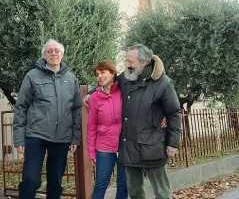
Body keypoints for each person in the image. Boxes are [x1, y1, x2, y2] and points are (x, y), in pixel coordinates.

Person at [85, 44, 181, 199]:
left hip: (152, 147)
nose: (127, 65)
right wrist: (91, 92)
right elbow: (110, 81)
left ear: (144, 62)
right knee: (135, 193)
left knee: (162, 194)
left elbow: (174, 112)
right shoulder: (127, 77)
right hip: (129, 147)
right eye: (127, 61)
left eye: (131, 61)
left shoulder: (163, 83)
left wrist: (173, 142)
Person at [13, 39, 82, 199]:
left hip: (62, 137)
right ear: (44, 55)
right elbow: (21, 107)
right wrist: (19, 139)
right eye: (49, 51)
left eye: (57, 50)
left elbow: (77, 110)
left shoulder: (71, 79)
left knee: (55, 183)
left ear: (62, 54)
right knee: (30, 179)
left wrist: (75, 138)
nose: (53, 53)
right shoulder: (32, 76)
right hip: (36, 135)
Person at [87, 61, 128, 199]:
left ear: (112, 73)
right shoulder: (94, 98)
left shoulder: (123, 91)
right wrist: (92, 152)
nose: (99, 76)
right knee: (100, 186)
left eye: (103, 72)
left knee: (123, 186)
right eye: (97, 74)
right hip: (104, 148)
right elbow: (91, 127)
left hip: (124, 146)